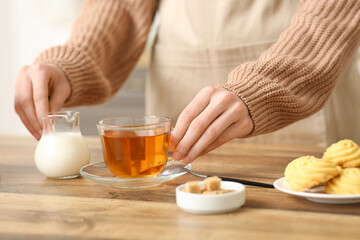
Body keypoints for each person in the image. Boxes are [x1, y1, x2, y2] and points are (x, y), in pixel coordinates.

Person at [14, 0, 360, 164]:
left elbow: (336, 10)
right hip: (176, 106)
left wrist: (266, 85)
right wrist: (70, 62)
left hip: (299, 102)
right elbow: (118, 8)